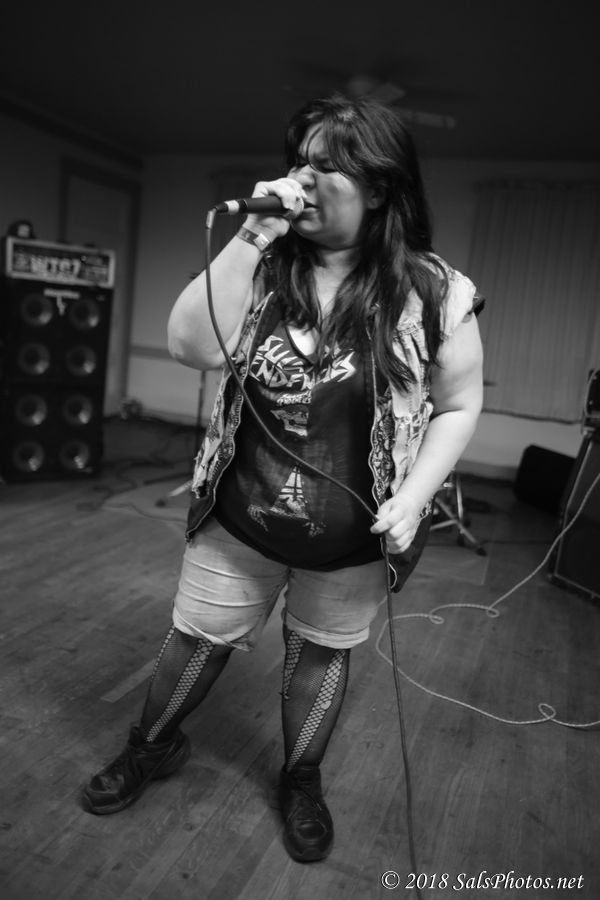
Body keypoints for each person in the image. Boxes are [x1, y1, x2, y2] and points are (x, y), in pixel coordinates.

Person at [83, 93, 484, 863]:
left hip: (352, 537)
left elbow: (460, 405)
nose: (302, 177)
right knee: (195, 641)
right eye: (299, 159)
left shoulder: (433, 290)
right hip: (241, 516)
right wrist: (252, 236)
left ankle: (301, 779)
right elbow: (191, 348)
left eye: (326, 165)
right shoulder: (262, 263)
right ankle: (150, 747)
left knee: (319, 656)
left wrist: (414, 496)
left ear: (379, 186)